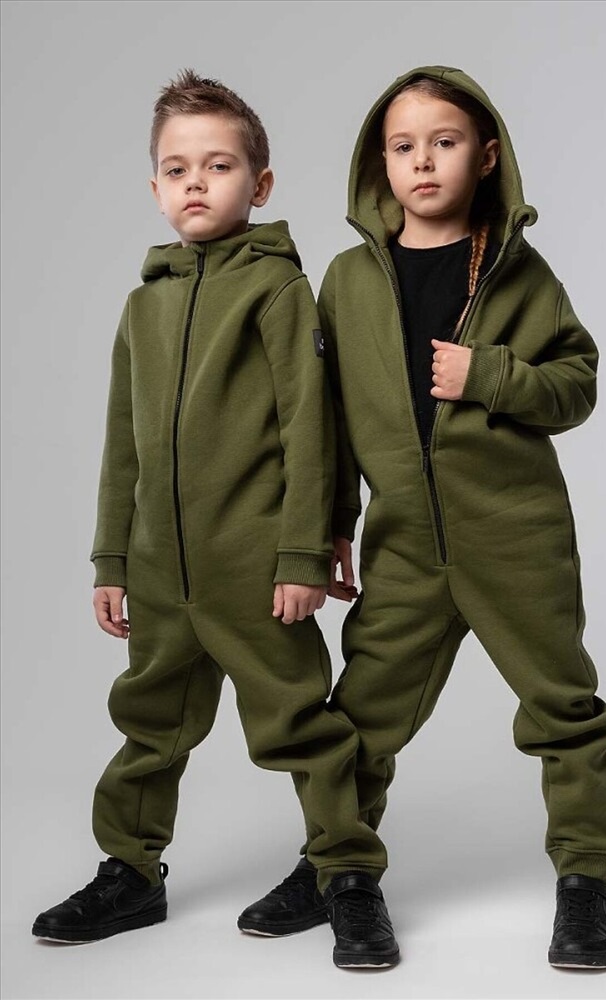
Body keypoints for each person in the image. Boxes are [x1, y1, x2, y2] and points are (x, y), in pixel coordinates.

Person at [240, 65, 606, 970]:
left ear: (484, 157)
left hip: (516, 536)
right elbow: (328, 419)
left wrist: (489, 374)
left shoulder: (520, 273)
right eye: (403, 146)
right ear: (379, 164)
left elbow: (576, 385)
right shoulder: (346, 281)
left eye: (443, 143)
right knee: (359, 717)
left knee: (563, 709)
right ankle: (337, 868)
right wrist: (334, 526)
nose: (422, 161)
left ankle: (586, 884)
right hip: (405, 546)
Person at [31, 70, 396, 968]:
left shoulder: (277, 290)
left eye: (219, 165)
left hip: (255, 570)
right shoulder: (142, 306)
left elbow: (311, 430)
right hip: (161, 572)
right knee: (148, 726)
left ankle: (346, 875)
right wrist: (112, 560)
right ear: (155, 186)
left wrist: (302, 554)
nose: (196, 181)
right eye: (177, 168)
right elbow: (123, 443)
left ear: (259, 184)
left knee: (300, 724)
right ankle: (131, 872)